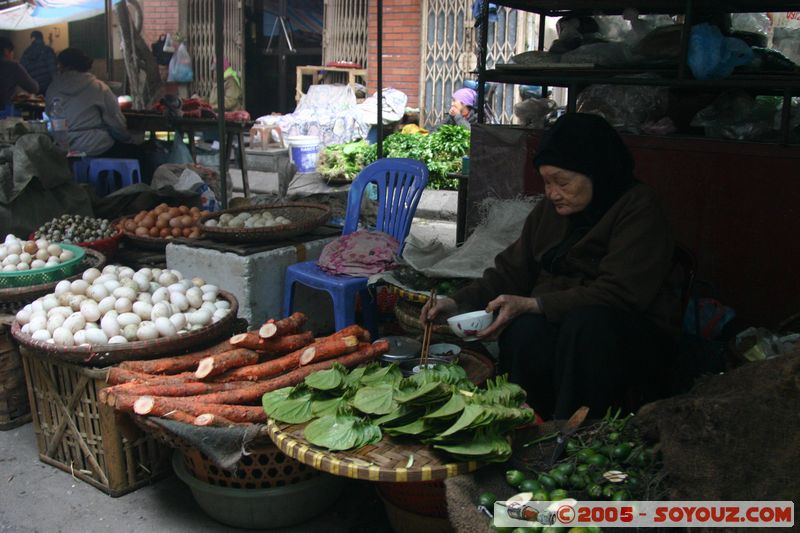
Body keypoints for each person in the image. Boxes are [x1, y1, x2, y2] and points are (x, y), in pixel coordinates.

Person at [421, 113, 678, 420]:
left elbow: (620, 292)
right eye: (546, 182)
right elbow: (510, 272)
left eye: (562, 182)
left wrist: (536, 304)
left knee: (586, 325)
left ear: (598, 172)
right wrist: (456, 302)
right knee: (525, 331)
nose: (552, 193)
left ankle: (577, 430)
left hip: (626, 330)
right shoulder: (549, 212)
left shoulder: (639, 207)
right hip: (564, 319)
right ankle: (528, 422)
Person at [45, 48, 137, 158]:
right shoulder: (99, 87)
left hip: (62, 148)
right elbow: (116, 122)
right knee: (137, 152)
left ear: (61, 65)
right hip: (96, 147)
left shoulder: (52, 88)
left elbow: (49, 118)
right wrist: (128, 139)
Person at [0, 37, 39, 108]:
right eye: (12, 52)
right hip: (4, 110)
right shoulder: (13, 66)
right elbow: (33, 88)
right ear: (6, 51)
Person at [20, 31, 57, 95]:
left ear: (32, 39)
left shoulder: (26, 52)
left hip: (34, 87)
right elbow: (52, 69)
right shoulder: (48, 50)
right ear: (42, 38)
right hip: (48, 86)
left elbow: (22, 70)